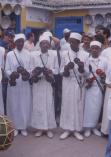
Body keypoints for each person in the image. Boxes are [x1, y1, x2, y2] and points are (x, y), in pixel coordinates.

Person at [60, 32, 88, 140]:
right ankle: (67, 129)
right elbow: (61, 71)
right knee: (67, 105)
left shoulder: (85, 55)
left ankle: (77, 130)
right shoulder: (65, 54)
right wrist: (66, 68)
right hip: (67, 82)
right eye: (70, 41)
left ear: (79, 42)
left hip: (79, 83)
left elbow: (87, 73)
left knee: (78, 106)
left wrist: (81, 67)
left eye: (74, 42)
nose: (71, 44)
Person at [30, 34, 57, 138]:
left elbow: (57, 69)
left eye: (47, 43)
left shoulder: (53, 55)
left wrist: (50, 71)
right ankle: (40, 128)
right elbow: (31, 69)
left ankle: (48, 128)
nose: (45, 45)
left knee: (49, 105)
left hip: (48, 84)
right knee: (38, 105)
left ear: (49, 45)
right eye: (43, 43)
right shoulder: (34, 55)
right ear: (40, 44)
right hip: (38, 84)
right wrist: (37, 73)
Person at [5, 33, 32, 137]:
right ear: (15, 43)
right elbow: (6, 69)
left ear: (23, 42)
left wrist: (27, 73)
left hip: (24, 83)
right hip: (14, 83)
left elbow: (30, 68)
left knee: (24, 104)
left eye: (22, 41)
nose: (20, 43)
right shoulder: (10, 54)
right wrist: (11, 74)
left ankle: (23, 127)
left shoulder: (28, 54)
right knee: (14, 105)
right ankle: (15, 127)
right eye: (18, 41)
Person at [83, 41, 107, 137]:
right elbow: (83, 74)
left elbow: (107, 75)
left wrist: (103, 76)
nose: (94, 50)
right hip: (89, 87)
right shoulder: (87, 60)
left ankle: (93, 127)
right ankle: (87, 128)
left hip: (99, 88)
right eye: (92, 48)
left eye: (96, 48)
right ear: (90, 49)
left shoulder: (105, 61)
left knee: (97, 108)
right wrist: (87, 80)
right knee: (88, 108)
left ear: (100, 49)